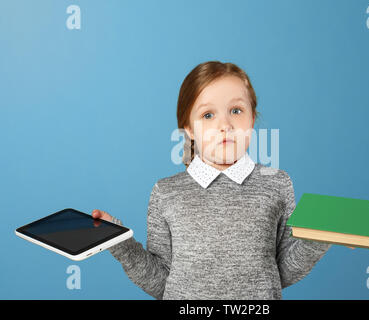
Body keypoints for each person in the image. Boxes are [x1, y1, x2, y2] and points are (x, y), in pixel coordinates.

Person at [92, 60, 352, 300]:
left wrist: (322, 236)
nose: (225, 125)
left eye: (236, 110)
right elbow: (161, 281)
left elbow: (281, 271)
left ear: (252, 119)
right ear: (190, 129)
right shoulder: (166, 192)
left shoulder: (277, 184)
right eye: (208, 115)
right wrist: (120, 243)